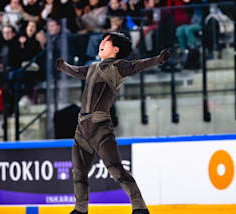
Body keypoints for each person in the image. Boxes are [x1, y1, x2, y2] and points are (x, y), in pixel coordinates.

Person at [56, 32, 170, 214]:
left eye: (106, 41)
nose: (101, 42)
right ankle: (80, 209)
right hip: (81, 128)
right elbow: (78, 71)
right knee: (78, 172)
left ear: (115, 50)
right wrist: (64, 66)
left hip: (100, 126)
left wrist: (158, 59)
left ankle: (139, 207)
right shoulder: (93, 66)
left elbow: (136, 65)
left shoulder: (118, 67)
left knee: (115, 168)